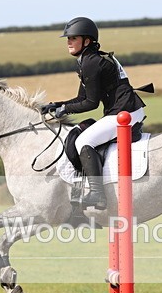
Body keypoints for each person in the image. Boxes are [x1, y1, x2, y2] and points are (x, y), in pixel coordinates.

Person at [40, 17, 147, 210]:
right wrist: (57, 104)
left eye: (73, 38)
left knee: (83, 141)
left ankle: (98, 194)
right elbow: (82, 97)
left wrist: (63, 110)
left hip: (125, 113)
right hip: (123, 111)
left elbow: (90, 103)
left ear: (87, 41)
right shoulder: (89, 59)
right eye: (68, 38)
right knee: (86, 127)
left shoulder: (92, 62)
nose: (68, 42)